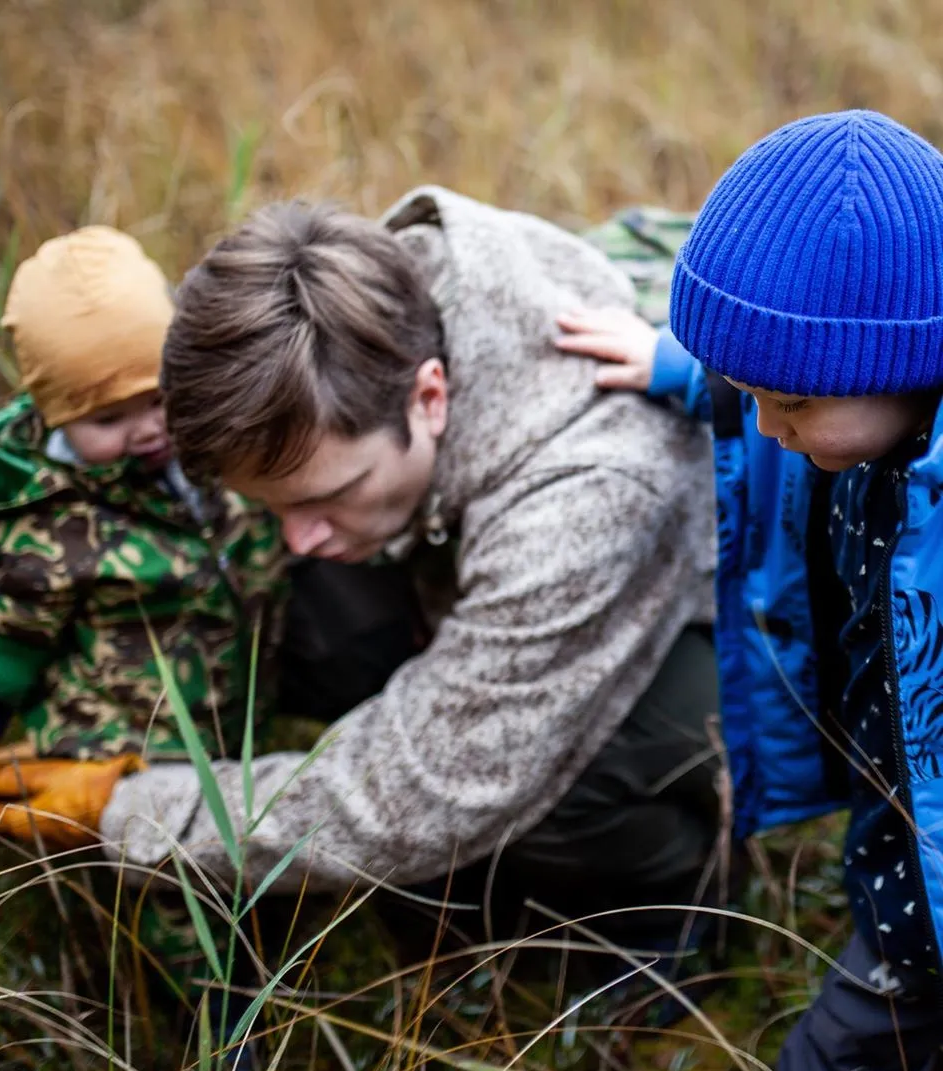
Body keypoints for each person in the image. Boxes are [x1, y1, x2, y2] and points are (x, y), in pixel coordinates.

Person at [98, 186, 723, 968]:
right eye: (272, 504)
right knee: (325, 616)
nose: (297, 535)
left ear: (429, 394)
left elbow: (431, 787)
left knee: (551, 792)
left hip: (716, 622)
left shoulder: (594, 489)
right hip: (499, 547)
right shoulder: (372, 307)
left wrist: (130, 813)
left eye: (328, 496)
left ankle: (666, 917)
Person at [556, 111, 943, 1071]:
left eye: (789, 401)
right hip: (896, 818)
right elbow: (780, 372)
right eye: (746, 390)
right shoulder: (840, 405)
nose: (764, 425)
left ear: (905, 361)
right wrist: (677, 366)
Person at [0, 225, 286, 1063]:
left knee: (252, 833)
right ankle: (227, 1016)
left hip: (233, 697)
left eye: (160, 396)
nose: (147, 429)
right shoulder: (55, 524)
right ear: (59, 416)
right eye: (108, 418)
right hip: (130, 732)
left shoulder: (208, 439)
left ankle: (265, 938)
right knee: (175, 874)